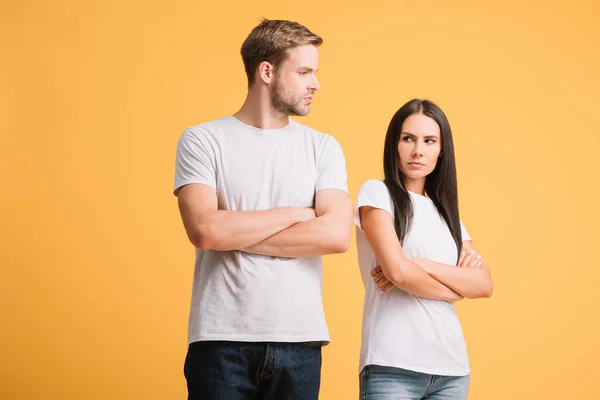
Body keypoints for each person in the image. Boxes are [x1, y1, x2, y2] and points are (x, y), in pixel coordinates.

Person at [173, 18, 353, 400]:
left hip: (300, 339)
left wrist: (232, 233)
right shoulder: (203, 140)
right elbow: (205, 231)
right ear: (267, 71)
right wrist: (297, 213)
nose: (315, 84)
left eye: (315, 72)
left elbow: (337, 235)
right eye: (304, 71)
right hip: (221, 341)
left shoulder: (323, 147)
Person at [354, 99, 493, 400]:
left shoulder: (449, 217)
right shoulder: (377, 194)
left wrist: (424, 265)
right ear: (395, 144)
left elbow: (483, 284)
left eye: (429, 141)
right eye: (408, 139)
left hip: (452, 371)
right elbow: (397, 272)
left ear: (441, 150)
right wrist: (455, 288)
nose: (418, 150)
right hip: (392, 367)